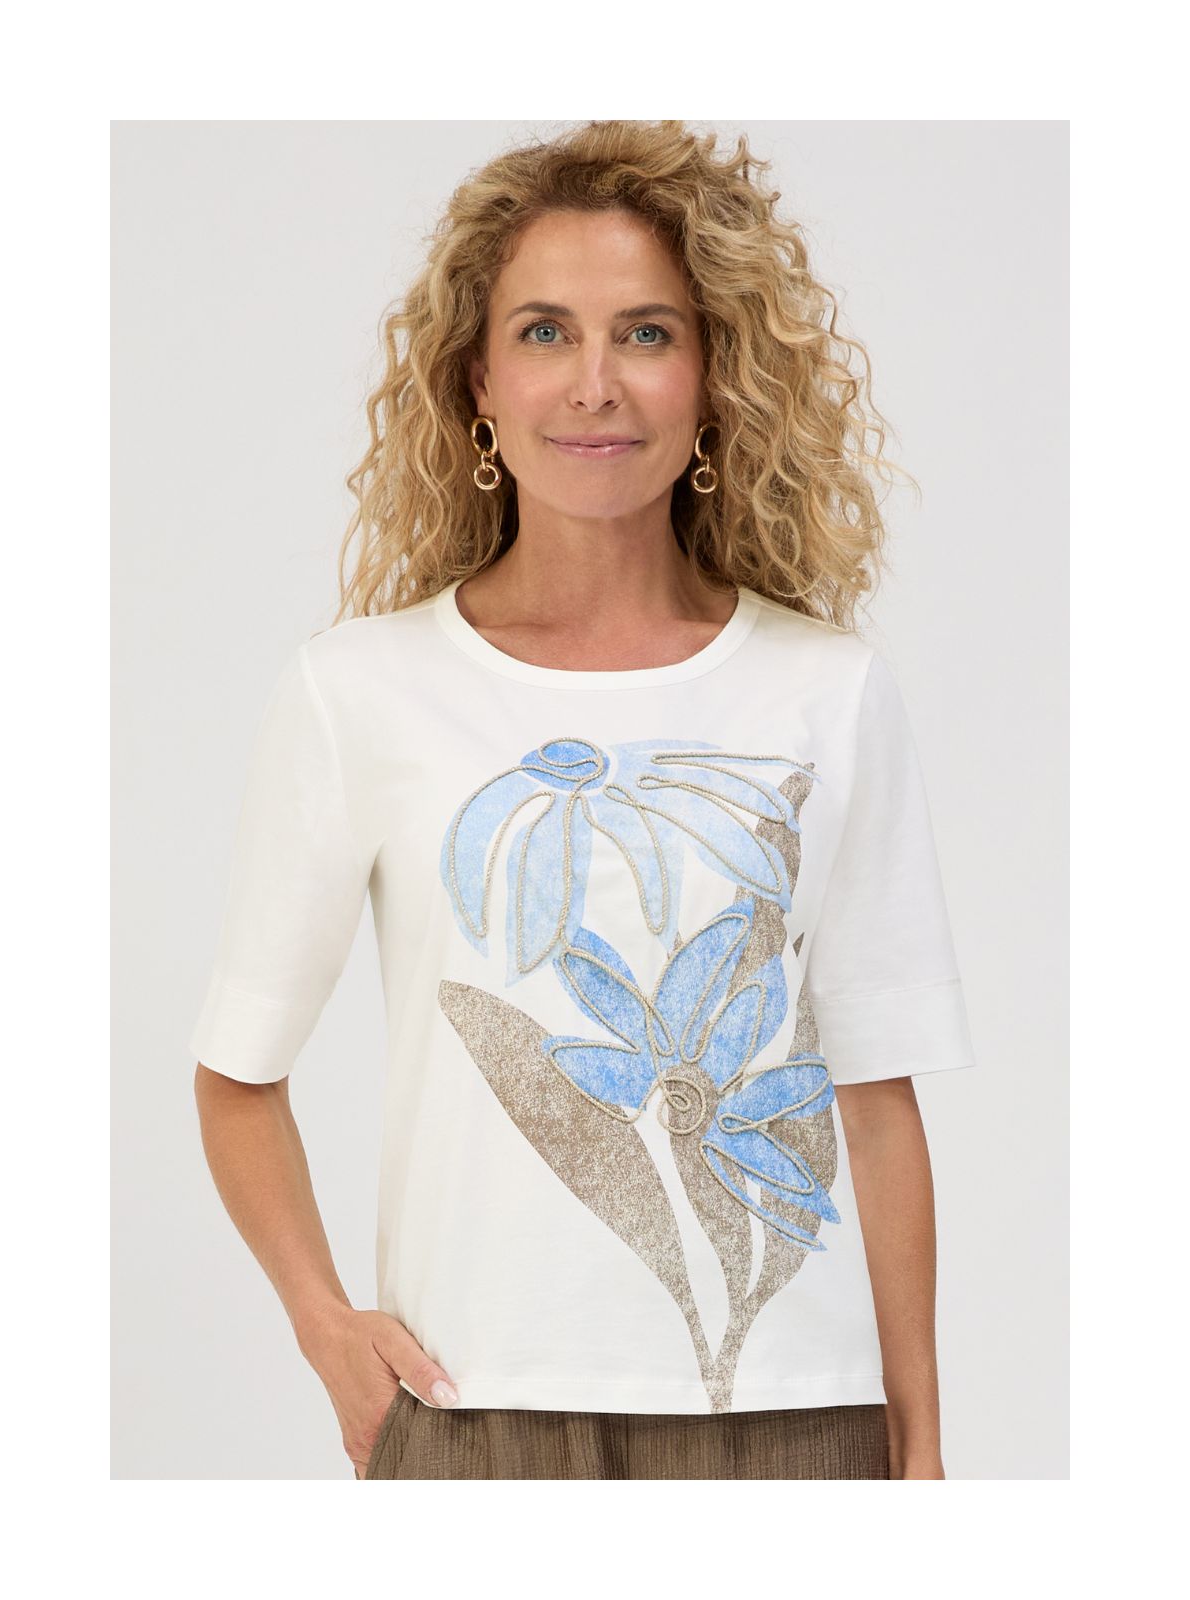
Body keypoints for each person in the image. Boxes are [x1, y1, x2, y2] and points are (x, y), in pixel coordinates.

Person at [190, 119, 976, 1481]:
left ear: (714, 380)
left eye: (647, 334)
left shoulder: (828, 690)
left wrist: (922, 1446)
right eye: (545, 332)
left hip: (795, 1419)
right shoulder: (358, 690)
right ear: (480, 381)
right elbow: (236, 1074)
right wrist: (327, 1330)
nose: (595, 383)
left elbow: (874, 1093)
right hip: (474, 1408)